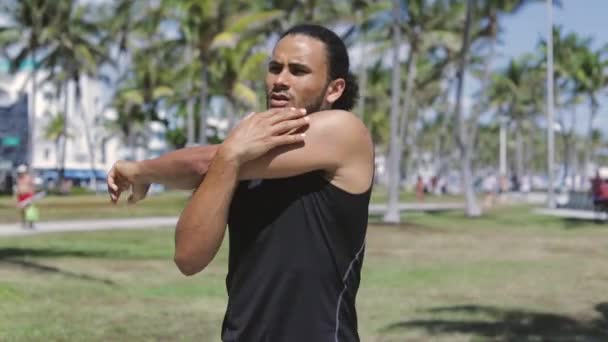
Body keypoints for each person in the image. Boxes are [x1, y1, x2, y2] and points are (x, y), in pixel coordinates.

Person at [107, 24, 374, 342]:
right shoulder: (238, 159)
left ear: (334, 89)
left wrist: (140, 170)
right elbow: (188, 259)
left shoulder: (344, 130)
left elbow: (202, 161)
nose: (280, 81)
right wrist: (229, 159)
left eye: (298, 71)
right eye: (275, 68)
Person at [15, 164, 36, 229]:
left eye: (21, 172)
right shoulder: (18, 179)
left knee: (29, 210)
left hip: (28, 195)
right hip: (21, 196)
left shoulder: (28, 178)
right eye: (19, 172)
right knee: (22, 211)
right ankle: (23, 223)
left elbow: (32, 187)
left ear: (24, 172)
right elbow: (18, 188)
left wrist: (32, 195)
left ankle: (31, 223)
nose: (20, 174)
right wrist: (17, 196)